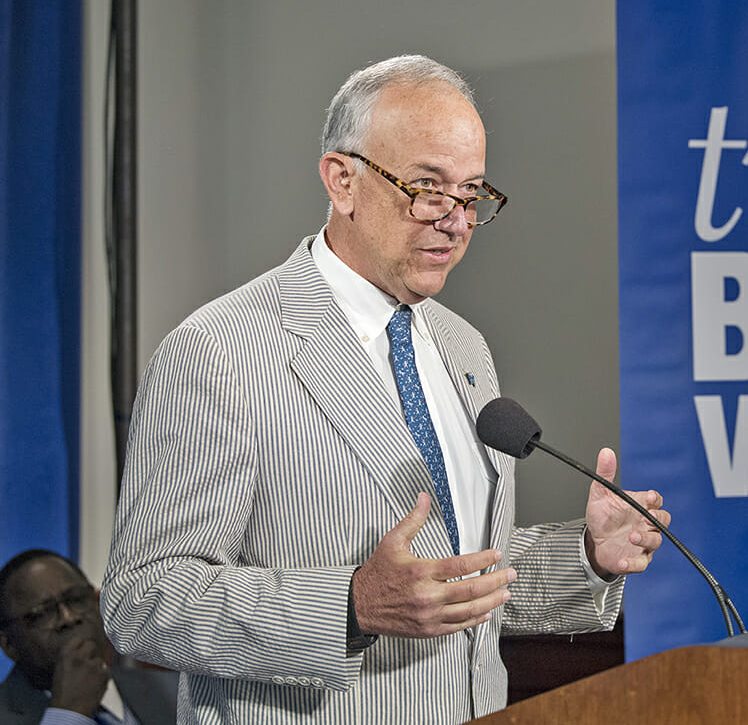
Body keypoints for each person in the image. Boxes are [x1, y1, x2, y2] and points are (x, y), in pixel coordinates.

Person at [100, 54, 669, 724]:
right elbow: (143, 599)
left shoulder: (463, 347)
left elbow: (449, 576)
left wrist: (586, 555)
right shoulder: (220, 352)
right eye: (427, 187)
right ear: (342, 180)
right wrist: (349, 606)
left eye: (471, 194)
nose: (455, 220)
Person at [0, 549, 176, 725]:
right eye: (41, 614)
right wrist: (68, 713)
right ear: (8, 644)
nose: (68, 618)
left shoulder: (178, 691)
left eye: (76, 599)